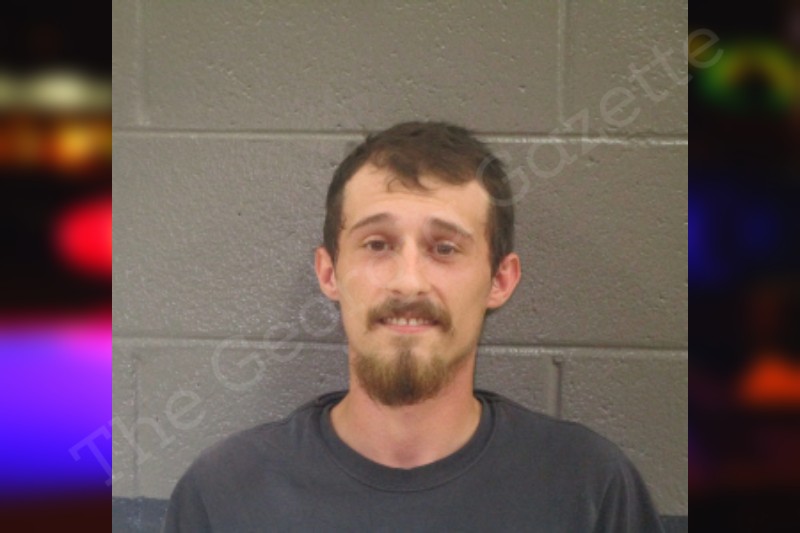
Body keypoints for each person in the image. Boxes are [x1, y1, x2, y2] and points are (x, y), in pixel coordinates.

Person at [163, 121, 665, 532]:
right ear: (329, 273)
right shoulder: (226, 494)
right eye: (377, 244)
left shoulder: (587, 488)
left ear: (500, 280)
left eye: (444, 248)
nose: (408, 281)